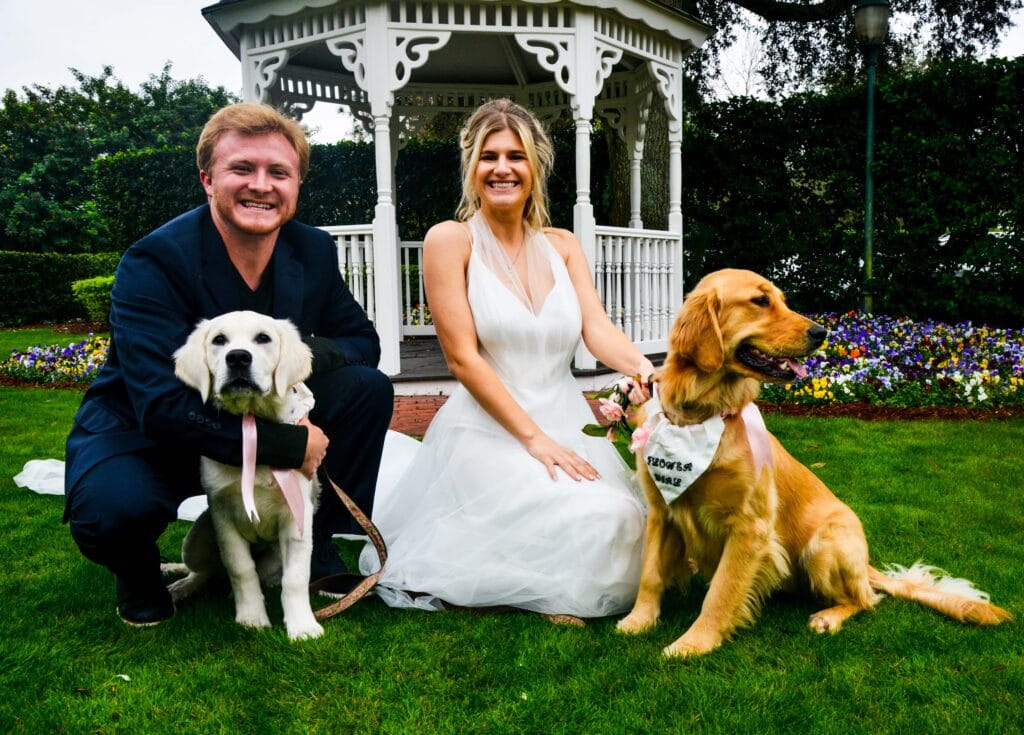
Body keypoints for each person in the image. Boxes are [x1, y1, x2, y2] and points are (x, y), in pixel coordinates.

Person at [64, 103, 393, 626]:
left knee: (366, 388)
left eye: (278, 172)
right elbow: (163, 405)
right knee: (112, 510)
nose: (261, 185)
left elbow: (360, 341)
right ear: (208, 179)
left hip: (261, 406)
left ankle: (316, 542)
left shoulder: (311, 250)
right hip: (151, 430)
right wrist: (291, 444)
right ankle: (138, 571)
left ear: (296, 185)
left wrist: (292, 353)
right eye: (243, 168)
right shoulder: (153, 261)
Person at [359, 99, 654, 618]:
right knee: (593, 520)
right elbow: (463, 359)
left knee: (627, 520)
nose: (502, 168)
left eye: (516, 156)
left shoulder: (562, 246)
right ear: (472, 167)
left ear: (535, 167)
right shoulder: (450, 240)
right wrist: (535, 442)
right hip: (489, 430)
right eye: (489, 156)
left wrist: (644, 369)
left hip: (565, 420)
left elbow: (598, 328)